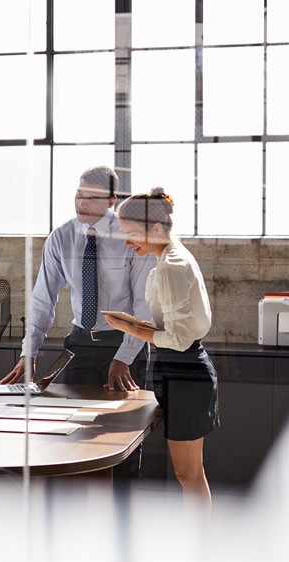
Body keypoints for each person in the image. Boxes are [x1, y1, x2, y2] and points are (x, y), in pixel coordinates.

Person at [104, 187, 219, 515]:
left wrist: (130, 327)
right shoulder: (170, 256)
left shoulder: (171, 264)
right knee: (191, 474)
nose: (127, 242)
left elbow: (180, 338)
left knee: (189, 474)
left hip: (185, 370)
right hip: (180, 369)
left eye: (130, 233)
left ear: (155, 228)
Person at [0, 165, 156, 391]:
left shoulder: (132, 237)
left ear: (112, 200)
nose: (82, 203)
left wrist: (125, 357)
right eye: (79, 194)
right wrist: (28, 353)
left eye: (92, 197)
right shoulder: (61, 237)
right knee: (72, 416)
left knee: (122, 421)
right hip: (80, 344)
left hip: (123, 342)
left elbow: (144, 303)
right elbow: (43, 300)